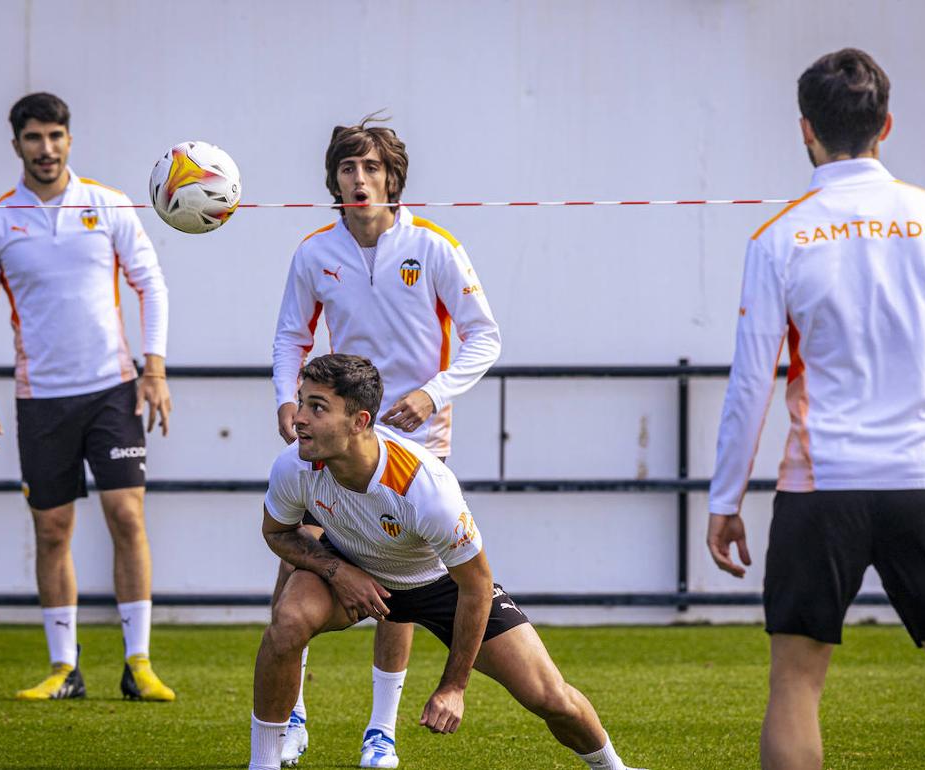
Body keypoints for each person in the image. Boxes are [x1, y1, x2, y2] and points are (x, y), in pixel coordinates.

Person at [705, 48, 925, 769]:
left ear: (806, 130)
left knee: (795, 687)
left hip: (819, 489)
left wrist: (725, 499)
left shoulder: (777, 237)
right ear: (886, 126)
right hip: (923, 482)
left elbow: (751, 380)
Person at [248, 354, 640, 770]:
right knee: (287, 622)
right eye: (302, 402)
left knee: (551, 698)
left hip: (441, 587)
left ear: (360, 421)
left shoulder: (425, 487)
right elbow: (278, 532)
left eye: (317, 407)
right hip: (353, 568)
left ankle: (614, 766)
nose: (300, 419)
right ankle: (265, 763)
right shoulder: (295, 465)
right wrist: (338, 572)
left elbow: (476, 585)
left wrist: (454, 686)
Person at [270, 116, 501, 767]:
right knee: (294, 556)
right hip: (336, 434)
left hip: (417, 437)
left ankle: (381, 731)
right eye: (348, 168)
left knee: (400, 577)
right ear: (335, 180)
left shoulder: (432, 246)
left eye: (371, 167)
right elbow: (291, 335)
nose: (360, 178)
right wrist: (287, 401)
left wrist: (435, 391)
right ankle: (293, 716)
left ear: (392, 177)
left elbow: (485, 336)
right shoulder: (315, 252)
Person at [0, 92, 176, 702]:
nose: (46, 149)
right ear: (17, 145)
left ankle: (139, 664)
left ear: (70, 140)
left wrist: (153, 369)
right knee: (52, 529)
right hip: (40, 399)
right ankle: (64, 669)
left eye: (55, 136)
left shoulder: (106, 205)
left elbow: (150, 284)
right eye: (34, 138)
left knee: (127, 516)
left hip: (113, 390)